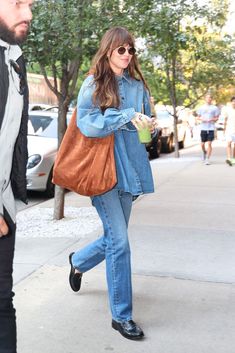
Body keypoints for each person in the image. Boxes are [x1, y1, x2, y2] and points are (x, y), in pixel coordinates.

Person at [69, 27, 155, 340]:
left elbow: (143, 125)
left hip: (129, 172)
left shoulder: (137, 85)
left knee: (113, 240)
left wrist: (149, 126)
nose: (127, 55)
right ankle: (121, 316)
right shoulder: (94, 83)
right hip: (102, 172)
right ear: (108, 50)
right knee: (119, 243)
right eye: (122, 50)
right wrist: (125, 115)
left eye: (131, 49)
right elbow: (87, 124)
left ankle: (78, 261)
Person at [0, 1, 33, 352]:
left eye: (32, 4)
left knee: (2, 304)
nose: (28, 14)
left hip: (6, 205)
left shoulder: (14, 58)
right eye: (18, 3)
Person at [197, 93, 220, 165]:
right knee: (202, 144)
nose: (208, 99)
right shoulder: (201, 108)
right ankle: (204, 152)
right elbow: (198, 117)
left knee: (209, 143)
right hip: (203, 128)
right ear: (205, 99)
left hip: (211, 128)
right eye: (207, 98)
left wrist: (212, 119)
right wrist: (202, 119)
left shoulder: (215, 108)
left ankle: (207, 159)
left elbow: (217, 118)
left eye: (210, 98)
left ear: (211, 99)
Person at [223, 97, 235, 166]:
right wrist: (224, 130)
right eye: (233, 101)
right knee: (229, 143)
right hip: (229, 130)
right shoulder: (228, 110)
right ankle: (229, 158)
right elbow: (225, 120)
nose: (234, 103)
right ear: (231, 102)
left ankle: (233, 158)